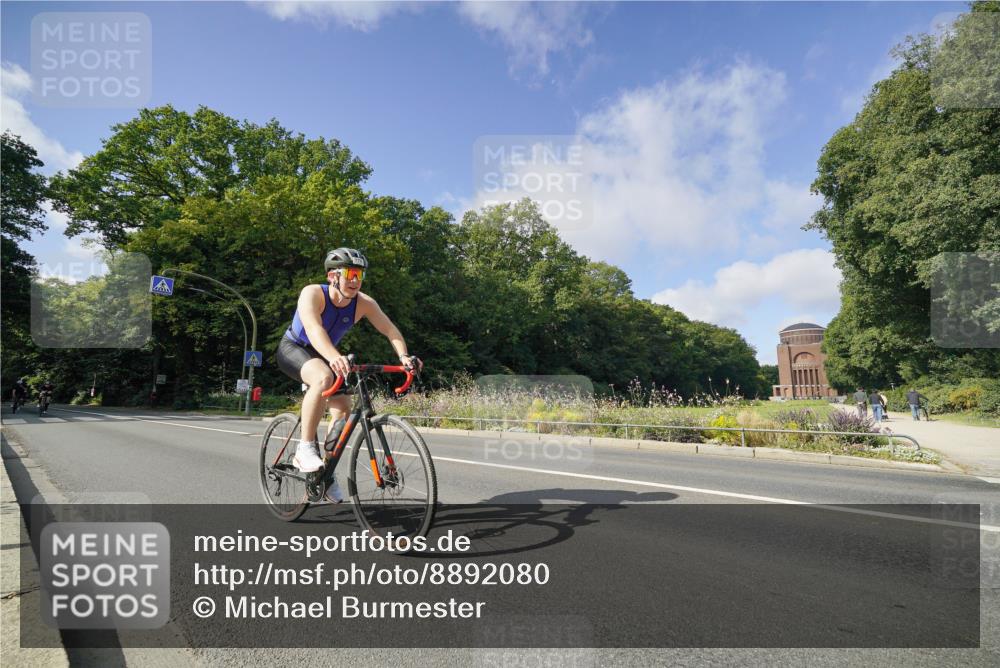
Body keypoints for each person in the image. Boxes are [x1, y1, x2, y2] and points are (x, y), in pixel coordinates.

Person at [276, 248, 421, 503]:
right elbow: (313, 329)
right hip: (295, 348)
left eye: (360, 275)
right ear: (333, 275)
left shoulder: (364, 303)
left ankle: (325, 475)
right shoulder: (312, 293)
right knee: (323, 377)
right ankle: (305, 447)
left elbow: (391, 330)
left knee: (343, 407)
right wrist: (333, 358)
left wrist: (404, 357)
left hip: (327, 354)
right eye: (350, 273)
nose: (355, 280)